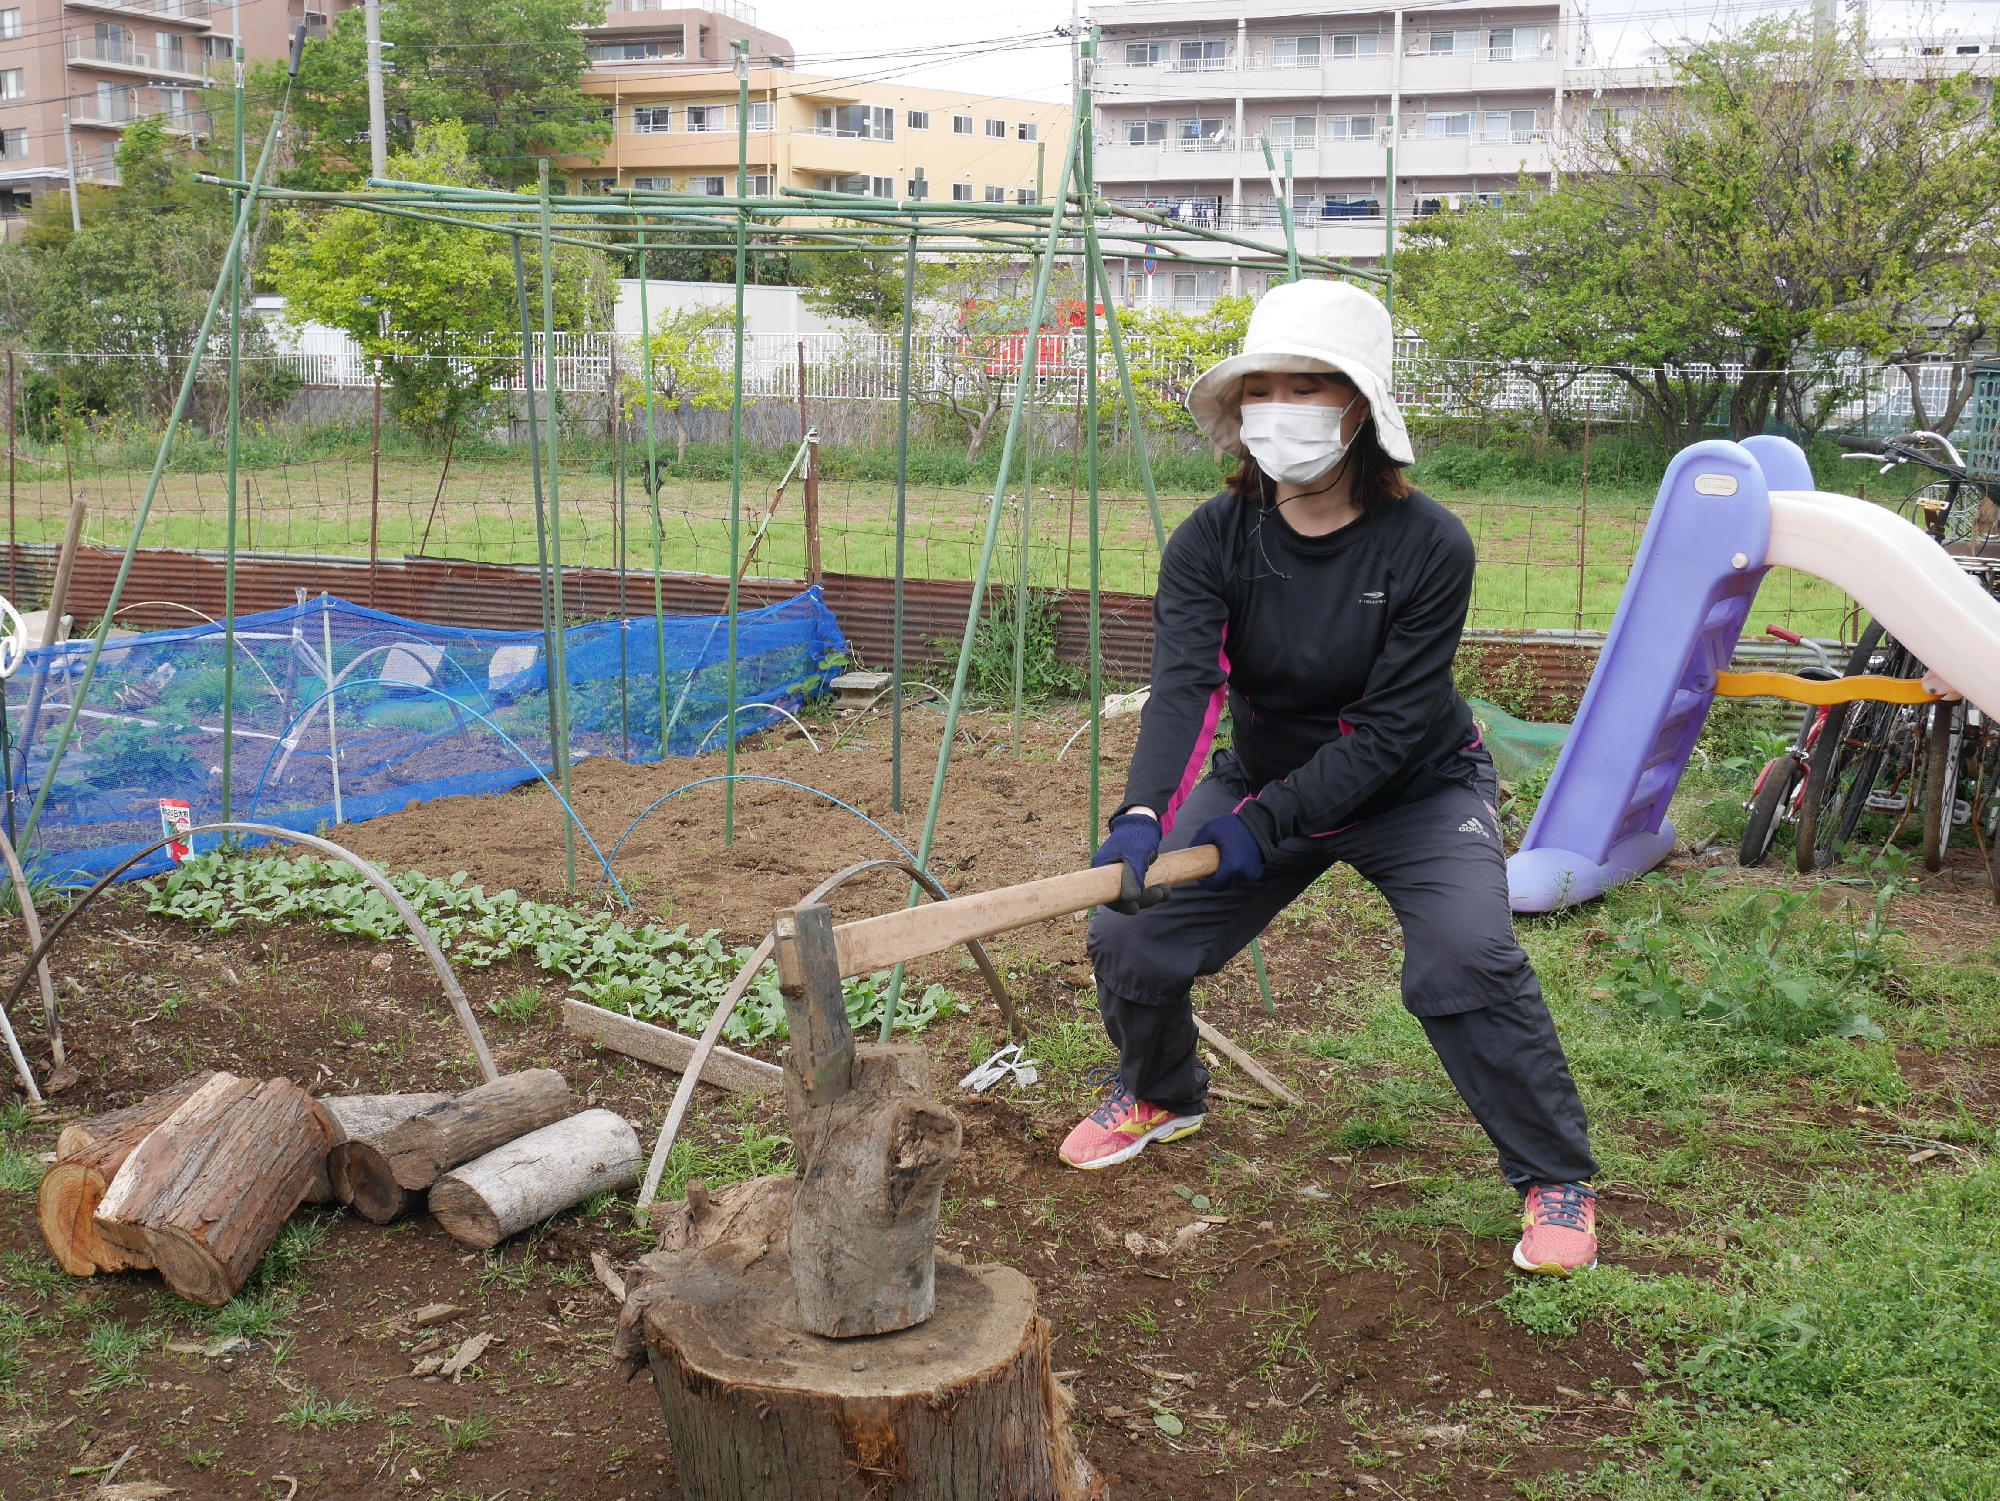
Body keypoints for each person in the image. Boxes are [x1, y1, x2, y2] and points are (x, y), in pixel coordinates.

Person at [1059, 279, 1600, 1276]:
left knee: (1464, 957)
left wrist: (1259, 827)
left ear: (1357, 407)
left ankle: (1552, 1175)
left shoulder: (1428, 545)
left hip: (1416, 791)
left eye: (1305, 386)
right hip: (1265, 780)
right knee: (1130, 936)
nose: (1279, 408)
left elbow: (1390, 730)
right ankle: (1161, 1091)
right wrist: (1142, 812)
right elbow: (1184, 687)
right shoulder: (1212, 540)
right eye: (1262, 387)